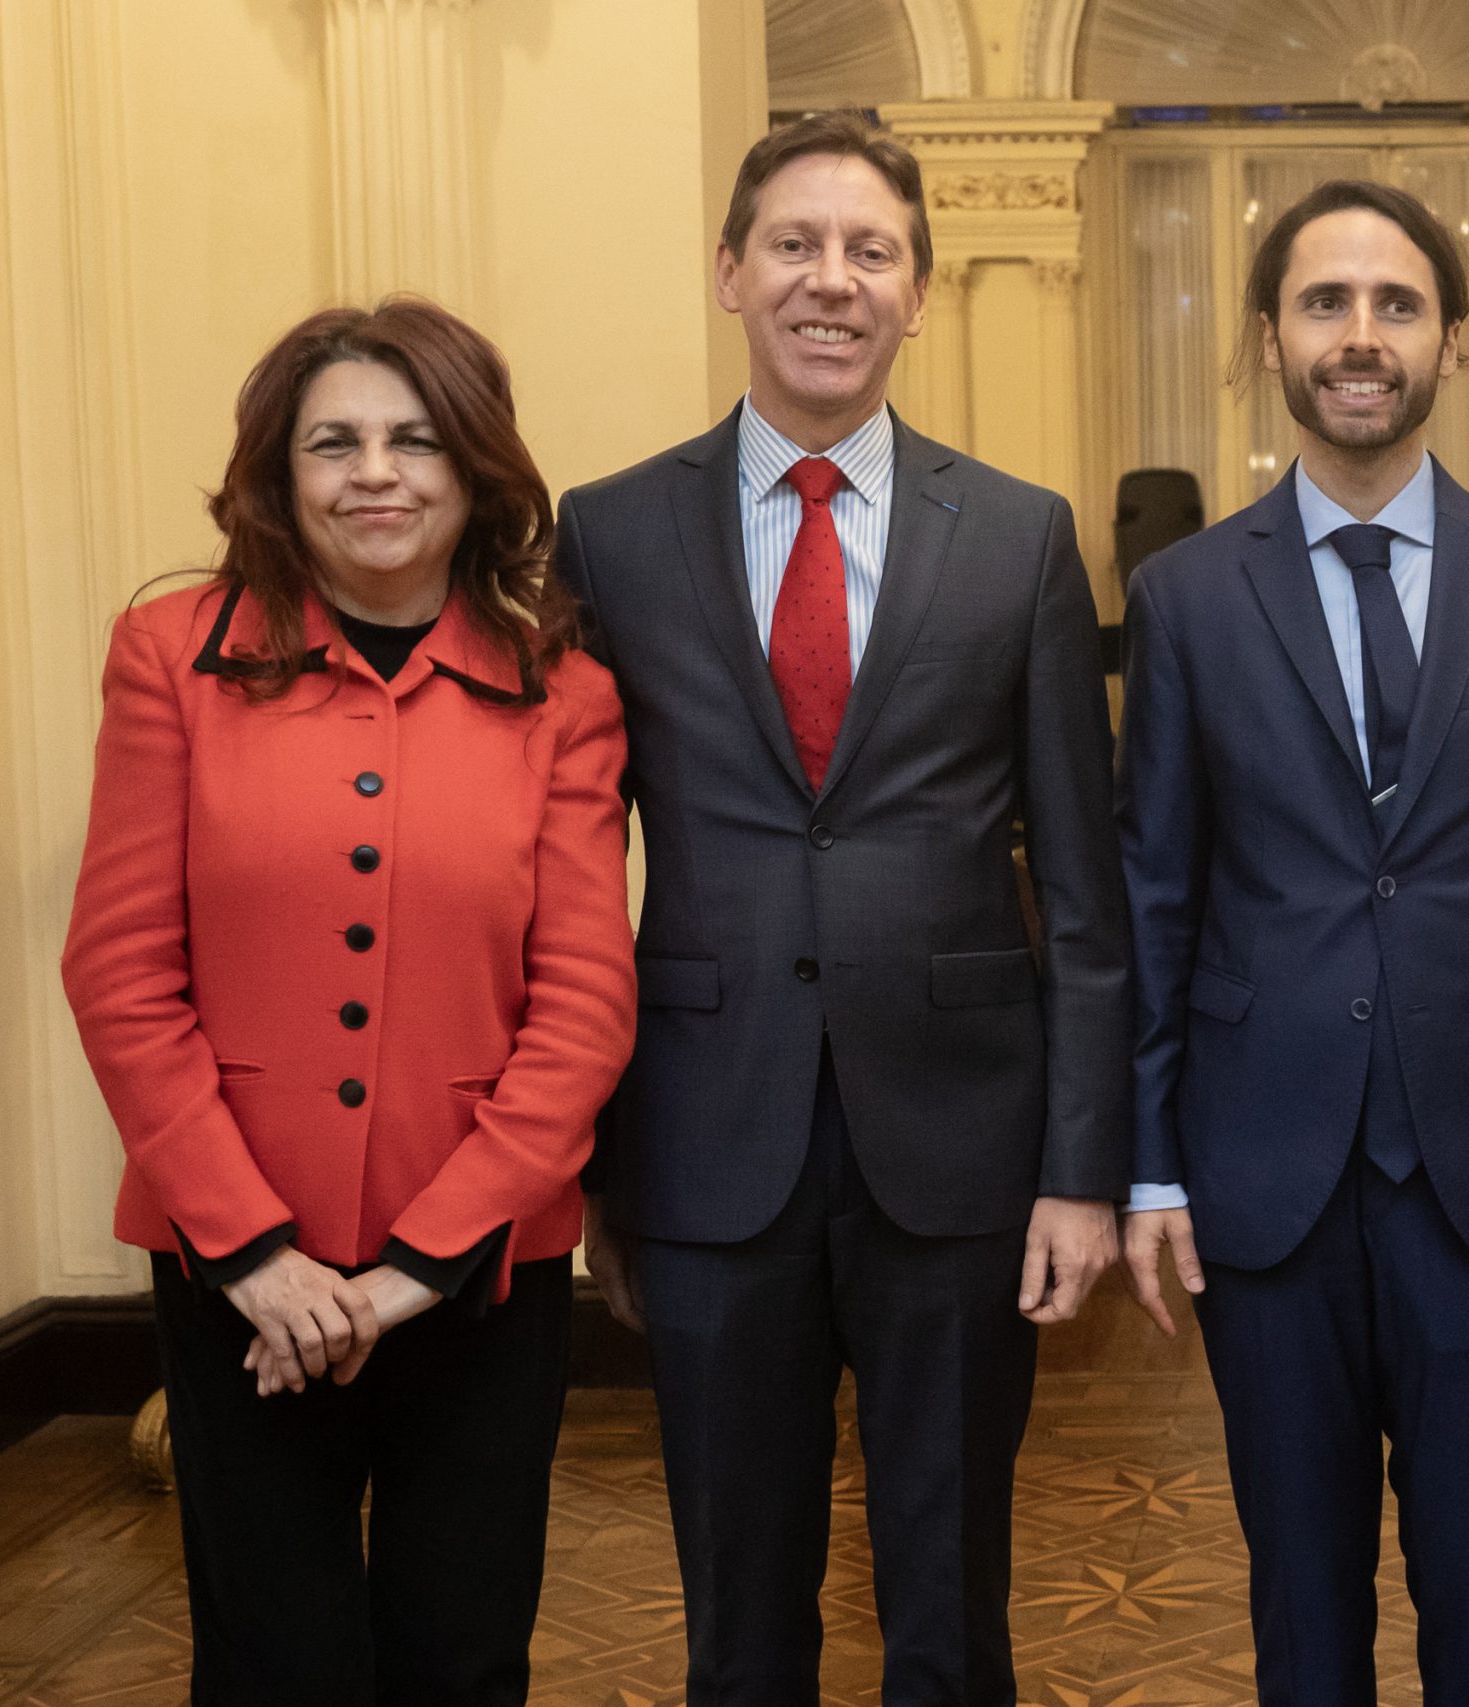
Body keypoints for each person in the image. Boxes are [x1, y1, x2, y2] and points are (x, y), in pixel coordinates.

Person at [553, 111, 1131, 1705]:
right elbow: (574, 877)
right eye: (796, 245)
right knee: (739, 1606)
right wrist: (595, 1162)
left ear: (920, 293)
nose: (833, 280)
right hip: (706, 1136)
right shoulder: (611, 529)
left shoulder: (1018, 538)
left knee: (951, 1600)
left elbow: (1084, 892)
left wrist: (1083, 1170)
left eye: (871, 251)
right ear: (730, 272)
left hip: (960, 1148)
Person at [61, 297, 638, 1706]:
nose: (376, 471)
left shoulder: (565, 693)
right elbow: (122, 969)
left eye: (415, 438)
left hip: (480, 1275)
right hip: (236, 1266)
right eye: (336, 441)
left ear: (475, 470)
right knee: (272, 1656)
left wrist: (420, 1263)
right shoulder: (170, 657)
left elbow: (581, 1005)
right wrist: (253, 1251)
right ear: (281, 470)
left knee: (463, 1649)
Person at [1115, 179, 1469, 1706]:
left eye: (1396, 303)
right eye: (1327, 302)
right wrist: (1148, 1162)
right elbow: (1158, 893)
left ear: (1453, 341)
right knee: (1302, 1606)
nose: (1362, 335)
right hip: (1259, 1180)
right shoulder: (1186, 597)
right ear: (1269, 338)